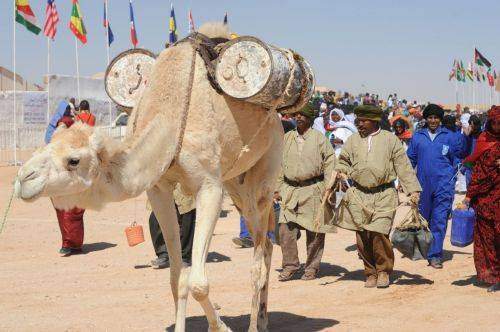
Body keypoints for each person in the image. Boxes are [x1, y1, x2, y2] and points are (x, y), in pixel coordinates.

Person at [335, 104, 421, 288]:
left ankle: (383, 271)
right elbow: (343, 161)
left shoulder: (390, 140)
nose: (360, 124)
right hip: (358, 194)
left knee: (379, 234)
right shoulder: (352, 140)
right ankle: (370, 272)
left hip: (384, 194)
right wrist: (341, 172)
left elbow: (403, 166)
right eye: (358, 121)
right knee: (362, 236)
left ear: (374, 121)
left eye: (364, 121)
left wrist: (413, 190)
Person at [277, 103, 336, 281]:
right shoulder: (287, 138)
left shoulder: (320, 139)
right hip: (290, 190)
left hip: (314, 190)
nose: (299, 118)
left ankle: (311, 268)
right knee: (285, 231)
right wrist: (277, 188)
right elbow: (279, 165)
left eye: (303, 115)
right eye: (297, 115)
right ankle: (290, 266)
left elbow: (330, 163)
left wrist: (329, 188)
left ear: (310, 118)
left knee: (315, 233)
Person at [407, 104, 462, 269]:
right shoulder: (418, 137)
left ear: (440, 119)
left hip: (443, 185)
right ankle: (423, 249)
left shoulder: (450, 137)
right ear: (425, 119)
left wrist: (451, 180)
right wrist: (407, 182)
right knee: (424, 219)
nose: (433, 121)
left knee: (439, 220)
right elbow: (410, 160)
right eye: (430, 117)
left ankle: (435, 255)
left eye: (436, 118)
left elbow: (457, 159)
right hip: (422, 185)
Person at [464, 106, 499, 293]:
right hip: (485, 201)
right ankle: (494, 276)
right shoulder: (483, 140)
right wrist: (469, 196)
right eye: (495, 122)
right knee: (489, 239)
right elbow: (478, 171)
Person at [149, 184, 196, 268]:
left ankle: (184, 256)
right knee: (156, 216)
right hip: (162, 179)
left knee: (187, 211)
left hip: (182, 178)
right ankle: (163, 254)